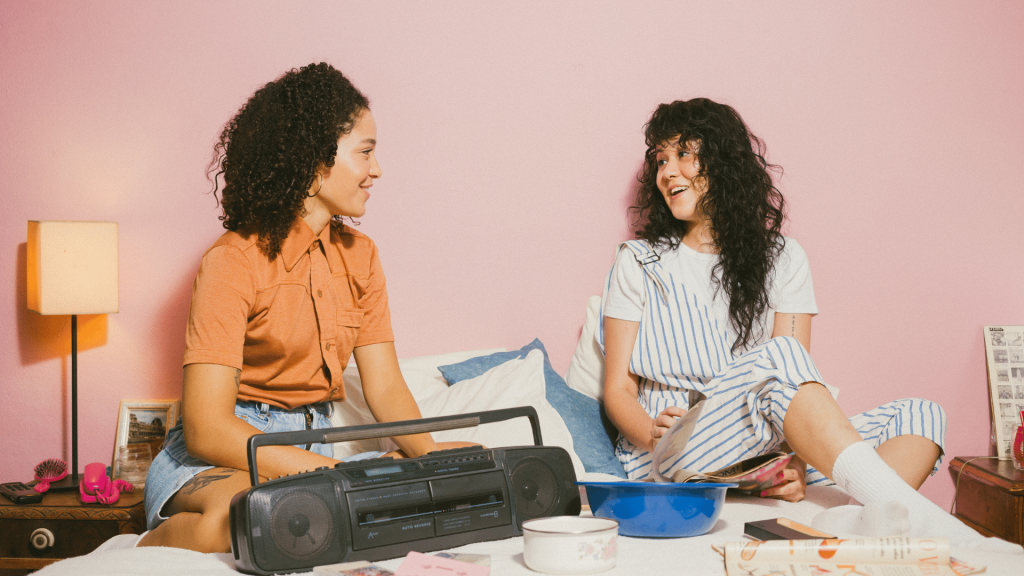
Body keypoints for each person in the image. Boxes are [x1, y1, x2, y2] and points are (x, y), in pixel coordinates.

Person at [599, 98, 992, 546]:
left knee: (923, 415)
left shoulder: (783, 258)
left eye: (683, 153)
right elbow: (618, 389)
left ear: (723, 161)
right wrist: (650, 435)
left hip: (762, 449)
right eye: (660, 159)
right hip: (675, 449)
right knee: (779, 353)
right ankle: (929, 522)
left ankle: (857, 525)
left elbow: (793, 385)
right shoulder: (640, 262)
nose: (667, 172)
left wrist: (791, 464)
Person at [140, 63, 471, 552]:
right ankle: (144, 544)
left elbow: (384, 384)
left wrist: (430, 457)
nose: (376, 170)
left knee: (342, 510)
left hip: (304, 454)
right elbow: (208, 429)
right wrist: (339, 474)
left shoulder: (362, 258)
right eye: (365, 153)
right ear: (316, 163)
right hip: (218, 458)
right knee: (247, 521)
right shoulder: (233, 261)